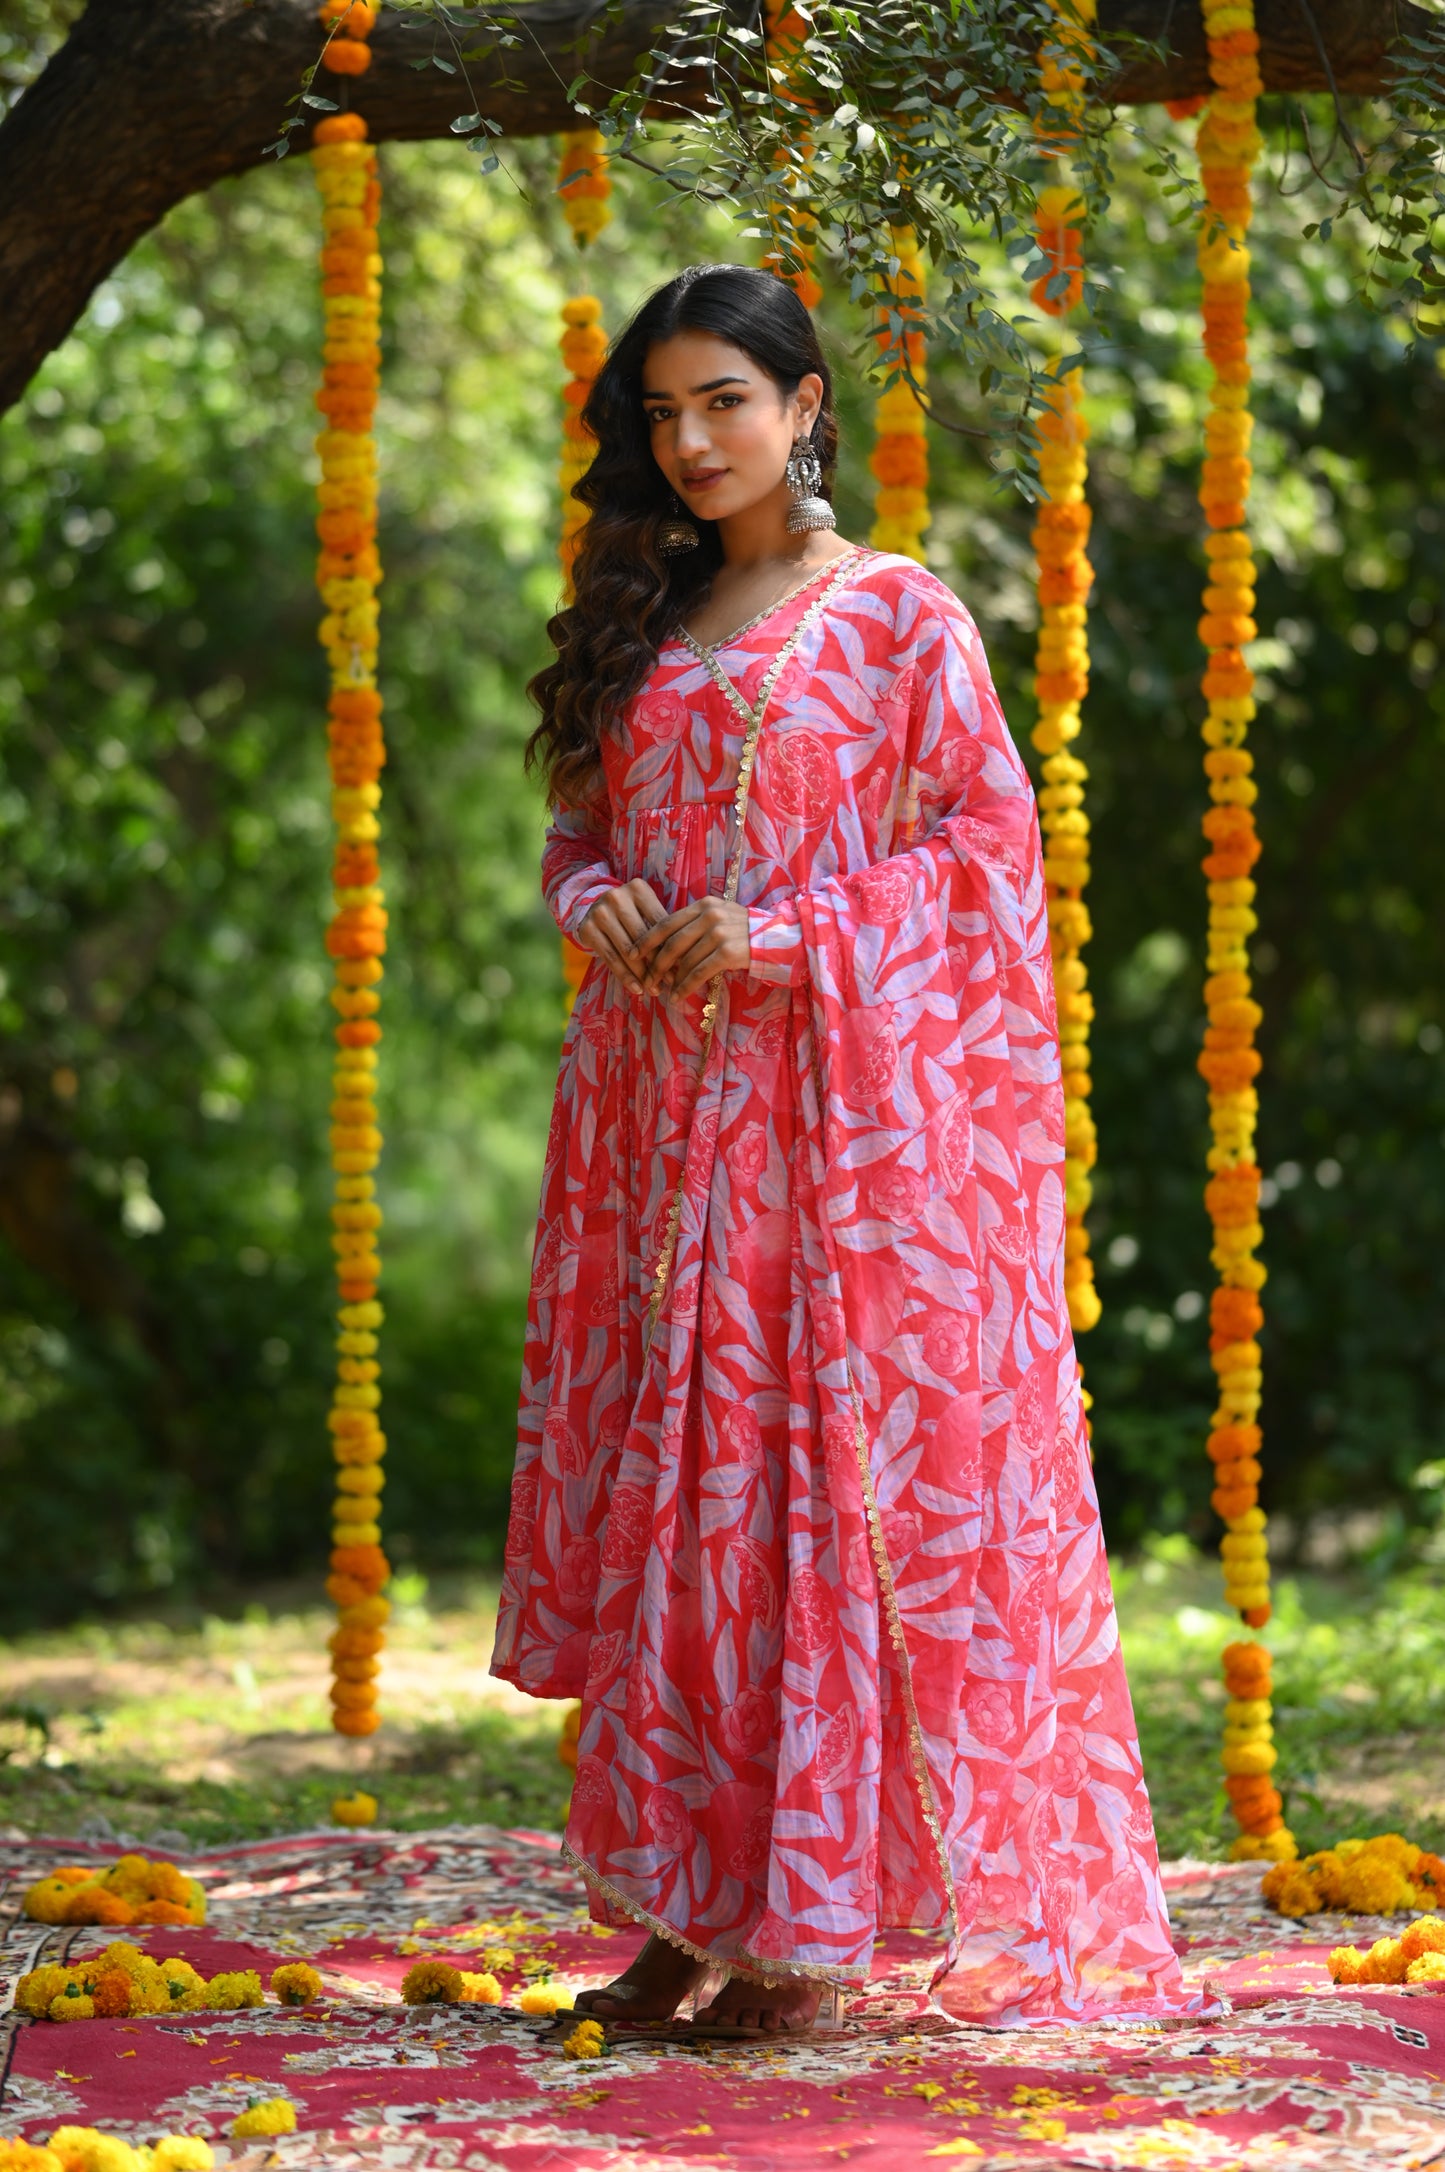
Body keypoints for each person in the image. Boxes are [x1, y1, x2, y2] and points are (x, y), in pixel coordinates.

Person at [491, 264, 1199, 2033]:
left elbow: (984, 860)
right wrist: (607, 910)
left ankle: (803, 1927)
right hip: (657, 1130)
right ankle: (674, 1908)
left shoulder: (895, 620)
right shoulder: (638, 615)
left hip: (834, 1145)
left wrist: (782, 940)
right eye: (660, 412)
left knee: (795, 1486)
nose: (690, 438)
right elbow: (576, 838)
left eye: (724, 399)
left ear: (806, 406)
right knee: (681, 1494)